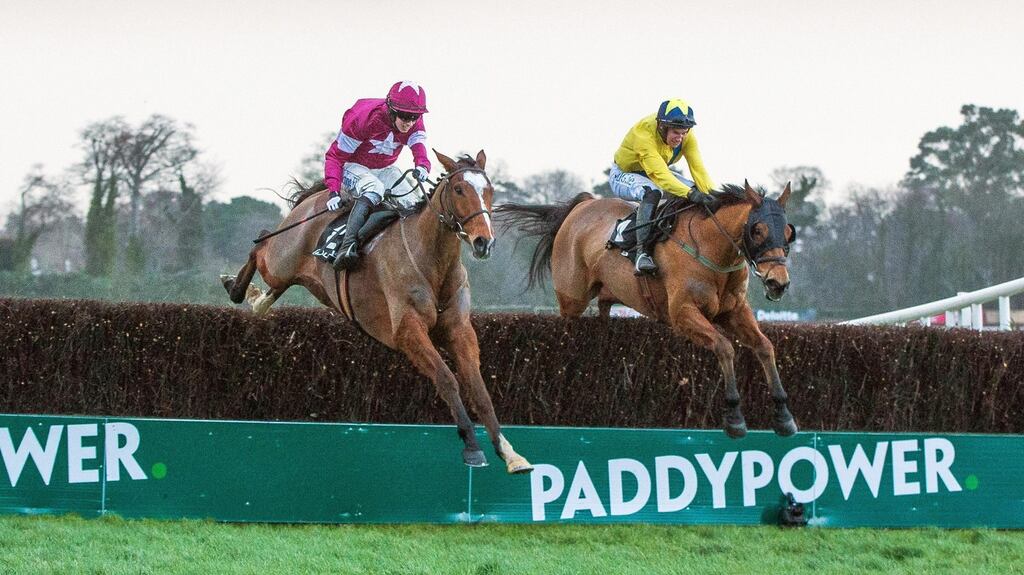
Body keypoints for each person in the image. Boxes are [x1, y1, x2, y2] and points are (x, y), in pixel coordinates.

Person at [324, 81, 432, 270]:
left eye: (415, 116)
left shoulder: (415, 123)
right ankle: (346, 246)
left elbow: (419, 148)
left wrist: (422, 165)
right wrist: (333, 191)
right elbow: (335, 157)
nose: (409, 122)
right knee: (375, 189)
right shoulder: (362, 119)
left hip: (385, 168)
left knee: (414, 204)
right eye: (405, 115)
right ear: (390, 109)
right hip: (353, 166)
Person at [608, 98, 717, 274]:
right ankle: (641, 253)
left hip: (655, 171)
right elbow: (661, 176)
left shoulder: (687, 137)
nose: (680, 138)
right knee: (652, 192)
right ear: (662, 127)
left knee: (698, 191)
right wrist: (689, 194)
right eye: (676, 132)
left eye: (684, 133)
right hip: (624, 174)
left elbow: (699, 171)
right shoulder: (643, 135)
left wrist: (713, 196)